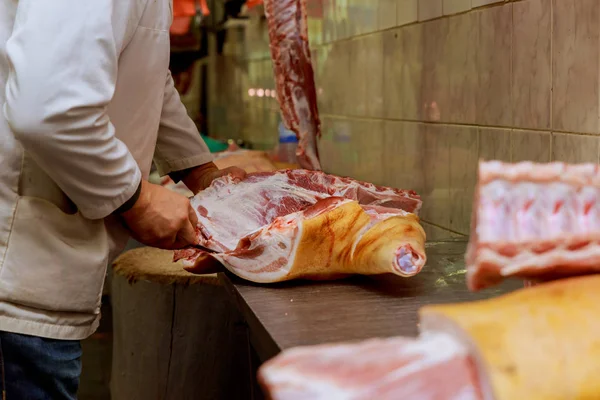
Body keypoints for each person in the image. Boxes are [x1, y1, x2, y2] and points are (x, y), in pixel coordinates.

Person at [0, 1, 246, 398]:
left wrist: (198, 169)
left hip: (38, 271)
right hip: (15, 281)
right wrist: (139, 199)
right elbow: (49, 109)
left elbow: (146, 74)